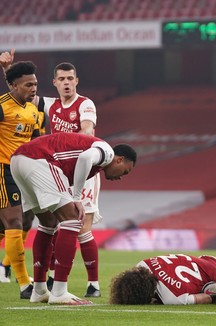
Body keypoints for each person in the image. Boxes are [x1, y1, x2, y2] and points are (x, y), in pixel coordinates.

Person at [1, 50, 103, 297]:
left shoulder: (85, 104)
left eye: (71, 78)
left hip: (83, 168)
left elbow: (88, 132)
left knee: (79, 226)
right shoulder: (48, 105)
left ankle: (93, 284)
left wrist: (69, 145)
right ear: (55, 82)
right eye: (62, 79)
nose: (67, 83)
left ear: (76, 81)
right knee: (50, 224)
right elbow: (17, 93)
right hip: (52, 170)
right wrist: (8, 70)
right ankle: (42, 282)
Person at [10, 132, 137, 305]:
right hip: (40, 159)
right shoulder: (106, 151)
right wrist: (76, 197)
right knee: (72, 220)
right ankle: (59, 292)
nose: (122, 176)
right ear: (119, 160)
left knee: (48, 223)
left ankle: (39, 290)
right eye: (126, 171)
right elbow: (85, 158)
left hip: (18, 160)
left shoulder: (98, 164)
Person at [0, 59, 40, 298]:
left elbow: (35, 142)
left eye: (35, 84)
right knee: (13, 222)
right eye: (28, 85)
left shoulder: (33, 110)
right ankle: (25, 284)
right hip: (3, 170)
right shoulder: (3, 107)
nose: (33, 88)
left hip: (24, 172)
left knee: (25, 222)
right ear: (13, 85)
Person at [110, 254, 216, 305]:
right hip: (208, 259)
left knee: (208, 291)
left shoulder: (171, 297)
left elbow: (207, 298)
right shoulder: (142, 264)